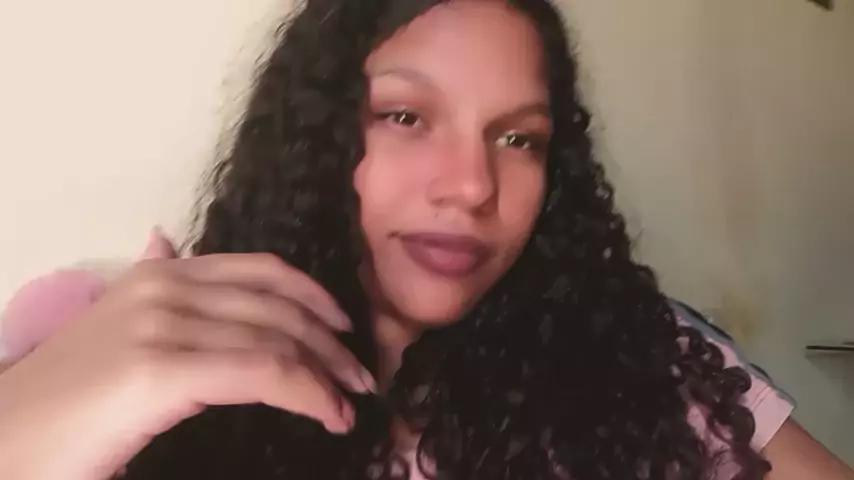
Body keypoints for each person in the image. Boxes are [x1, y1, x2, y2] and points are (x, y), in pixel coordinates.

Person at [0, 0, 851, 479]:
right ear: (313, 134)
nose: (474, 185)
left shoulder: (644, 355)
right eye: (405, 116)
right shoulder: (94, 332)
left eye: (519, 138)